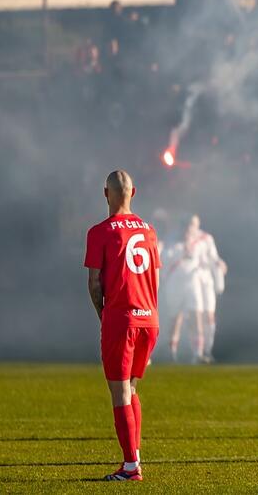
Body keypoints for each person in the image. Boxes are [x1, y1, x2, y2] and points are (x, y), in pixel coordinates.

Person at [84, 170, 162, 481]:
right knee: (131, 388)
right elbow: (154, 276)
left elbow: (93, 283)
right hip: (149, 318)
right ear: (134, 192)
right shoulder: (149, 230)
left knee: (119, 393)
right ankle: (135, 458)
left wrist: (104, 316)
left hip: (122, 319)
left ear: (106, 194)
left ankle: (131, 467)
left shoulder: (100, 232)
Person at [189, 214, 227, 363]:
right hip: (193, 280)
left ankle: (207, 351)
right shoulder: (183, 239)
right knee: (196, 315)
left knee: (209, 316)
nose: (192, 226)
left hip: (207, 280)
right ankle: (197, 352)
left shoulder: (206, 238)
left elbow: (214, 257)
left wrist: (220, 263)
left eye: (194, 223)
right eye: (190, 223)